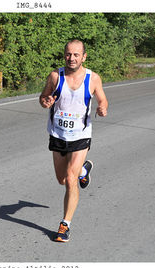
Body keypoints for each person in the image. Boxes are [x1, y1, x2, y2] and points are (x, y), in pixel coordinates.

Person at [39, 39, 108, 242]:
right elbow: (43, 98)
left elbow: (102, 98)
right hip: (58, 134)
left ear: (84, 57)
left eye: (76, 54)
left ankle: (65, 225)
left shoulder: (93, 78)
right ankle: (84, 170)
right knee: (62, 179)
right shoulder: (55, 76)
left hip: (80, 135)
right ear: (64, 55)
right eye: (69, 54)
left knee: (70, 179)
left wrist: (102, 108)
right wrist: (46, 101)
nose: (72, 58)